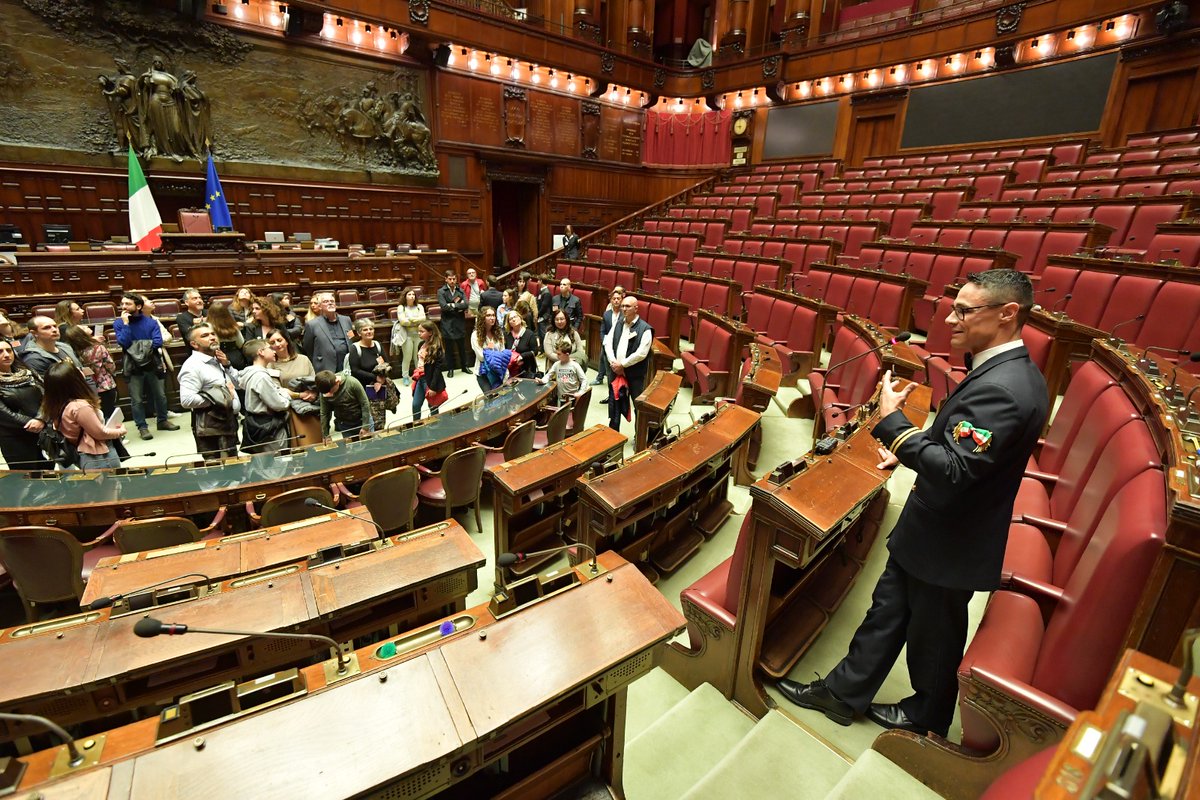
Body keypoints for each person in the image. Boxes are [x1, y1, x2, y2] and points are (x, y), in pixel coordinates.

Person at [775, 269, 1049, 739]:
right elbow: (966, 456)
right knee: (888, 612)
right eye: (953, 307)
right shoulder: (1001, 371)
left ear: (1008, 315)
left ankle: (929, 717)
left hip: (952, 539)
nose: (950, 320)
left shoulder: (1005, 388)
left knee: (935, 636)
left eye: (965, 310)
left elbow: (957, 471)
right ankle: (844, 694)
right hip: (936, 527)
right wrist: (911, 451)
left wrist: (895, 426)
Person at [113, 293, 178, 440]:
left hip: (152, 363)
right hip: (133, 366)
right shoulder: (119, 323)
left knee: (160, 395)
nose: (123, 307)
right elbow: (124, 342)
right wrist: (126, 324)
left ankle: (162, 421)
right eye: (122, 304)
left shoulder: (151, 322)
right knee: (136, 399)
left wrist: (136, 349)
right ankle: (142, 427)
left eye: (127, 304)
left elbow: (157, 341)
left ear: (138, 306)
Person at [62, 325, 130, 462]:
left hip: (86, 388)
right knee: (109, 415)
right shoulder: (98, 348)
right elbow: (110, 365)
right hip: (105, 385)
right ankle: (114, 438)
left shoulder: (72, 353)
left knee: (96, 417)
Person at [41, 361, 126, 470]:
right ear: (75, 380)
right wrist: (120, 431)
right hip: (98, 457)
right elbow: (100, 433)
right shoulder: (80, 407)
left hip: (83, 455)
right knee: (111, 485)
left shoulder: (56, 404)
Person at [178, 324, 241, 460]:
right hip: (210, 429)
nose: (212, 337)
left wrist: (227, 365)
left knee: (234, 470)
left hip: (227, 422)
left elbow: (239, 384)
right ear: (194, 344)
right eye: (205, 336)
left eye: (213, 334)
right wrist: (223, 397)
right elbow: (187, 400)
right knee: (218, 474)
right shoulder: (192, 366)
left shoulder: (218, 359)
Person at [0, 340, 53, 471]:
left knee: (50, 472)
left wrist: (41, 418)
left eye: (9, 350)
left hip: (43, 431)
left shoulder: (27, 372)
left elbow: (47, 396)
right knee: (29, 479)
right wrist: (33, 423)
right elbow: (4, 414)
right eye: (0, 352)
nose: (6, 355)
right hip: (15, 438)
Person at [604, 295, 653, 432]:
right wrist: (613, 362)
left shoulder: (645, 329)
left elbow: (642, 353)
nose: (623, 309)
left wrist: (623, 365)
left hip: (634, 375)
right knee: (614, 406)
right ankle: (613, 436)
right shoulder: (618, 323)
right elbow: (608, 342)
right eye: (623, 306)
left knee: (638, 405)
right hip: (615, 371)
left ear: (636, 309)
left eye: (627, 306)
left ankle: (640, 436)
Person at [239, 338, 291, 455]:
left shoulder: (250, 373)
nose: (274, 351)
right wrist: (286, 394)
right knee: (277, 464)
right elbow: (279, 404)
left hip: (257, 424)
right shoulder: (260, 377)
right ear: (261, 352)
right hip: (269, 427)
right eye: (270, 348)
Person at [343, 318, 390, 433]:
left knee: (379, 416)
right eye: (365, 330)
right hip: (363, 388)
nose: (369, 331)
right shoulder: (355, 348)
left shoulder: (378, 345)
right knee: (367, 418)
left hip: (379, 387)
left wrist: (381, 380)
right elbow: (355, 370)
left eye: (371, 329)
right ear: (359, 333)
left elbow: (387, 363)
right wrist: (375, 379)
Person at [302, 291, 353, 374]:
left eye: (332, 301)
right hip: (326, 367)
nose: (330, 303)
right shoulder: (312, 324)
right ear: (320, 306)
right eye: (326, 301)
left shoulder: (346, 320)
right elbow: (308, 348)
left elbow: (351, 338)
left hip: (347, 365)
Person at [315, 369, 373, 438]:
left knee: (370, 446)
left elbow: (365, 404)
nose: (329, 395)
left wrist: (365, 427)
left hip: (362, 420)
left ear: (337, 382)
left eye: (331, 392)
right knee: (350, 448)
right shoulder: (325, 391)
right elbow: (324, 413)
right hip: (345, 425)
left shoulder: (352, 383)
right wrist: (326, 435)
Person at [410, 320, 446, 420]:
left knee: (433, 406)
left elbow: (437, 369)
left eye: (422, 331)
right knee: (416, 405)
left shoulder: (436, 347)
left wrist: (433, 387)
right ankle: (416, 424)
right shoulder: (421, 344)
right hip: (420, 379)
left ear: (430, 332)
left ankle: (436, 424)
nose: (419, 333)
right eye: (419, 331)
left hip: (430, 380)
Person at [437, 269, 469, 376]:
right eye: (450, 279)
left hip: (459, 323)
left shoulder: (460, 290)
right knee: (449, 348)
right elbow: (444, 307)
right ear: (446, 279)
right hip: (447, 323)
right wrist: (457, 307)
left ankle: (464, 366)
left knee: (462, 347)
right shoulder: (441, 291)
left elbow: (466, 305)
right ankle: (450, 369)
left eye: (454, 279)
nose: (452, 281)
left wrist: (452, 305)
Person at [390, 289, 426, 385]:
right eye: (409, 294)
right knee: (407, 357)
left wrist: (410, 319)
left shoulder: (419, 306)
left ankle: (419, 374)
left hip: (419, 335)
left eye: (413, 294)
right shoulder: (401, 307)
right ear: (405, 296)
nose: (412, 296)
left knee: (418, 357)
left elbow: (423, 319)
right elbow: (403, 321)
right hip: (407, 336)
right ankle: (405, 376)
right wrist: (416, 320)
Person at [594, 286, 625, 388]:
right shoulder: (606, 314)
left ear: (622, 300)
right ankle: (610, 393)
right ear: (611, 300)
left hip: (620, 346)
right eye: (614, 299)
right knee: (609, 371)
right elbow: (602, 330)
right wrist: (604, 342)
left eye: (618, 299)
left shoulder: (624, 314)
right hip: (607, 345)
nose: (616, 301)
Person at [470, 306, 506, 394]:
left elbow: (503, 351)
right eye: (489, 315)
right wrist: (496, 355)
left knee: (502, 397)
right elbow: (481, 357)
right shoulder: (476, 335)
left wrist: (488, 352)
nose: (492, 318)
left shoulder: (499, 332)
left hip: (498, 370)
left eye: (493, 315)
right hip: (483, 372)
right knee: (491, 397)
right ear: (482, 318)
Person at [541, 339, 588, 404]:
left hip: (573, 397)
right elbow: (549, 375)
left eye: (559, 354)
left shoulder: (575, 365)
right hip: (561, 397)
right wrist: (542, 380)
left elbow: (584, 379)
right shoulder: (556, 364)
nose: (557, 356)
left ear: (567, 354)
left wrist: (580, 392)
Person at [206, 300, 247, 371]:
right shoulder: (234, 326)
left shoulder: (207, 327)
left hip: (216, 356)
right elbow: (241, 344)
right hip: (235, 357)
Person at [505, 305, 538, 379]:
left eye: (515, 317)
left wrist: (522, 356)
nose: (513, 319)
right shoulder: (507, 335)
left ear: (520, 318)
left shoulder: (529, 334)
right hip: (511, 371)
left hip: (527, 369)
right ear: (509, 323)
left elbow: (535, 351)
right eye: (510, 319)